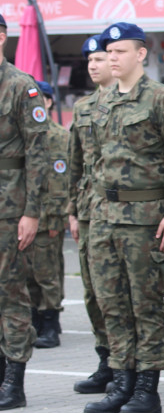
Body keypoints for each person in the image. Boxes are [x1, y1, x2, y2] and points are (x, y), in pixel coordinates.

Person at [83, 22, 164, 413]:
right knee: (111, 303)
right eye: (109, 52)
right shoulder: (102, 100)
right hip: (105, 217)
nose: (113, 57)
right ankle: (121, 378)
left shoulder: (161, 99)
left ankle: (147, 385)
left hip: (146, 219)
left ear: (141, 54)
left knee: (145, 303)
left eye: (120, 51)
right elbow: (97, 161)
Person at [0, 13, 48, 410]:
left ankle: (14, 380)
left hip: (10, 208)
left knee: (11, 292)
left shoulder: (20, 86)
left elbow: (38, 152)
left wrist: (32, 212)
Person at [67, 35, 115, 394]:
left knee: (118, 292)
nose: (95, 65)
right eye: (91, 60)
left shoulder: (131, 102)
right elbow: (76, 164)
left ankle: (125, 365)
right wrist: (72, 209)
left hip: (121, 210)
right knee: (92, 292)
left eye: (101, 58)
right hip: (88, 210)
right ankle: (105, 359)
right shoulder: (83, 108)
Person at [25, 81, 69, 350]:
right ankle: (36, 320)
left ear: (49, 102)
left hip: (46, 216)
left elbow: (59, 182)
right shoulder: (26, 133)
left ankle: (50, 323)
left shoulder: (57, 136)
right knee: (27, 274)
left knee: (47, 273)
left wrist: (55, 218)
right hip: (24, 215)